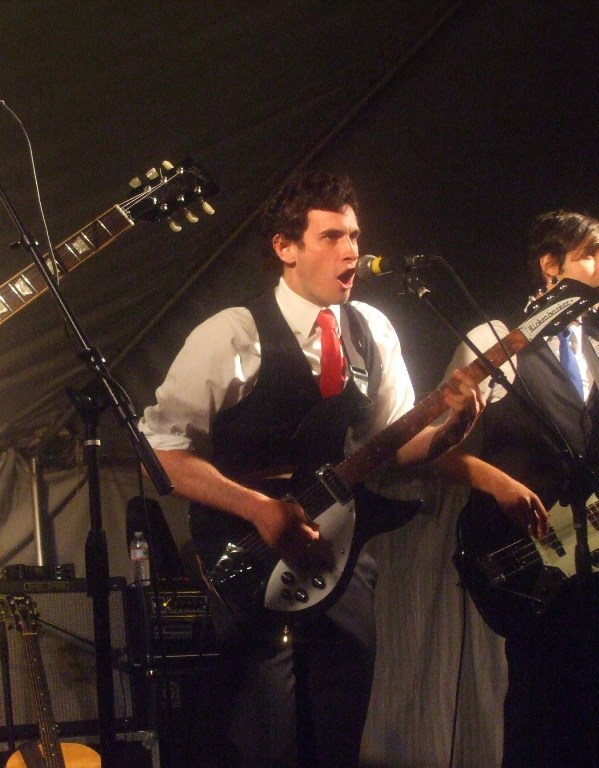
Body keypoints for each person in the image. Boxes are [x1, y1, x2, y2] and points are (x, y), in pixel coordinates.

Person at [139, 171, 483, 768]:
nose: (351, 251)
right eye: (331, 237)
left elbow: (393, 446)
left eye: (354, 236)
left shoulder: (371, 330)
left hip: (342, 565)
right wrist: (258, 509)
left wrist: (453, 427)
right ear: (285, 247)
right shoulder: (231, 334)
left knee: (338, 740)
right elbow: (158, 455)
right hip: (247, 566)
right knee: (261, 746)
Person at [436, 210, 599, 768]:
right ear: (550, 266)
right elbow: (438, 448)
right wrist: (499, 483)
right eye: (590, 255)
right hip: (530, 559)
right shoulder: (495, 341)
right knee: (540, 711)